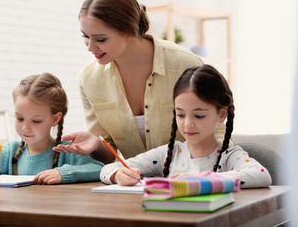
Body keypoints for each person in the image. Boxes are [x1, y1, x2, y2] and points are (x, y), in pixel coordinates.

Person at [54, 0, 225, 164]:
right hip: (133, 184)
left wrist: (204, 173)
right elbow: (109, 154)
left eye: (101, 39)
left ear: (128, 31)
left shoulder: (184, 64)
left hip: (192, 180)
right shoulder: (89, 78)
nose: (90, 47)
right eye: (85, 36)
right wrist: (96, 145)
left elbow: (218, 132)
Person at [99, 64, 272, 188]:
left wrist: (202, 180)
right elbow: (108, 168)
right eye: (180, 114)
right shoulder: (168, 153)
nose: (188, 123)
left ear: (222, 114)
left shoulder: (230, 156)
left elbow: (262, 175)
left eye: (199, 115)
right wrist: (117, 175)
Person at [0, 73, 104, 185]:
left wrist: (63, 173)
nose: (25, 128)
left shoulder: (67, 151)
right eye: (20, 118)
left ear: (55, 119)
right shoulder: (8, 151)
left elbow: (98, 169)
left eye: (36, 121)